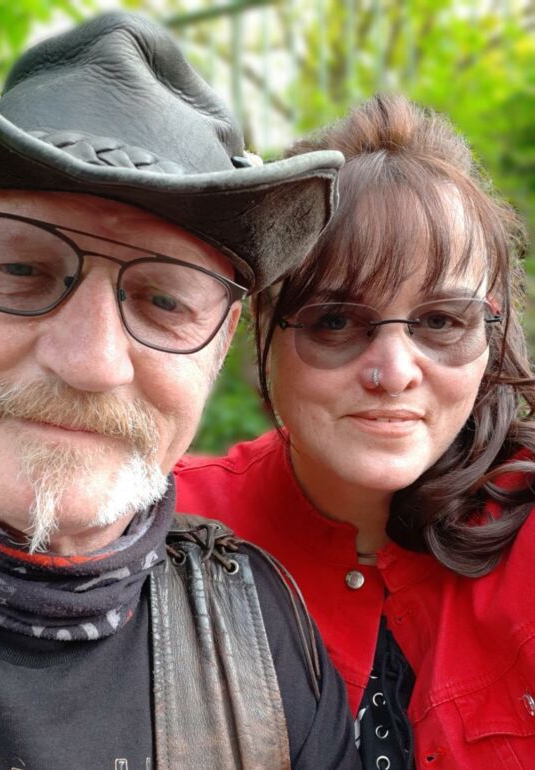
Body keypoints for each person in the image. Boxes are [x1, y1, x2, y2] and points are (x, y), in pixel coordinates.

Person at [0, 13, 360, 770]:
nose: (90, 362)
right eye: (21, 269)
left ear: (220, 342)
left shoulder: (264, 651)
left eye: (165, 300)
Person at [176, 93, 535, 770]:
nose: (394, 373)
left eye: (440, 321)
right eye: (335, 321)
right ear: (264, 329)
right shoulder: (162, 532)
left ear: (488, 332)